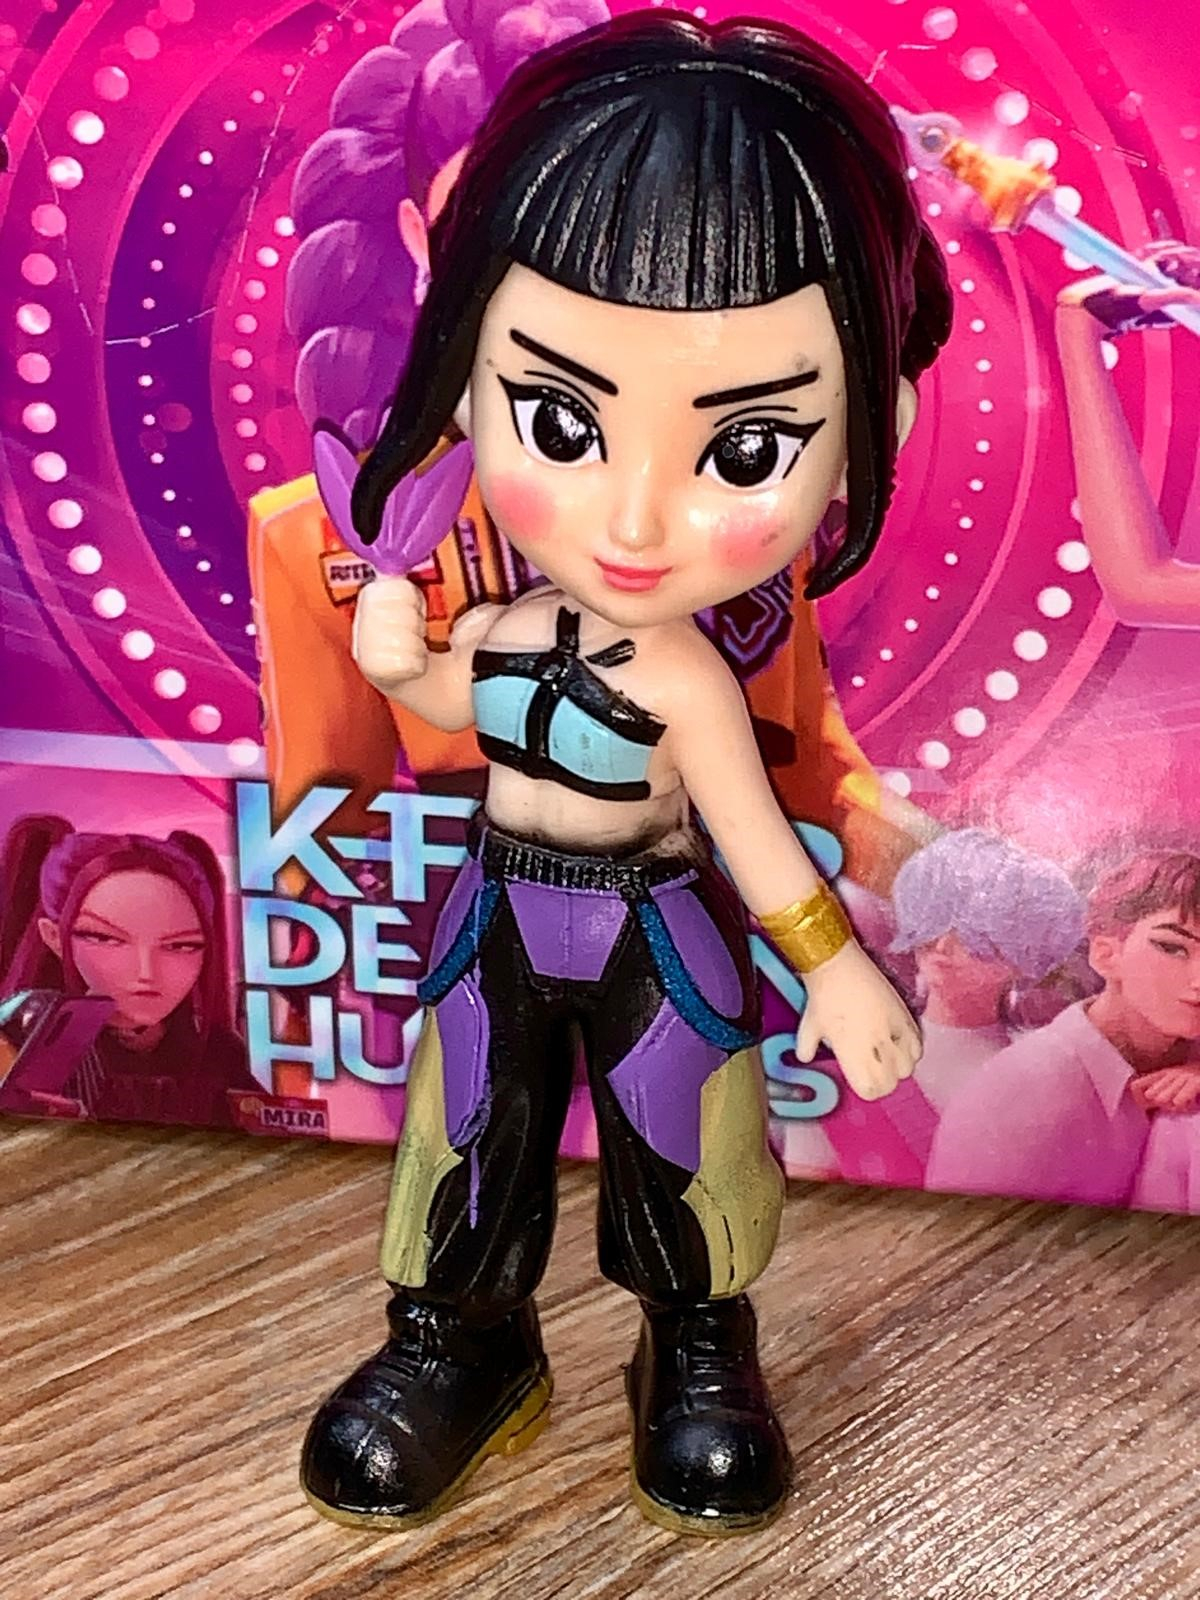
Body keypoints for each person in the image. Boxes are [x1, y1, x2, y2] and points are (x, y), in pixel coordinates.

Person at [299, 12, 952, 1537]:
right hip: (500, 909)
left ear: (876, 419)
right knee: (469, 1128)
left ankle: (698, 1349)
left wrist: (833, 969)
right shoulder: (511, 623)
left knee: (683, 1137)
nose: (637, 519)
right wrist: (402, 659)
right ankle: (459, 1343)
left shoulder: (688, 679)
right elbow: (461, 696)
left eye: (747, 450)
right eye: (561, 420)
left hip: (654, 922)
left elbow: (755, 837)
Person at [926, 850, 1200, 1208]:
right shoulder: (1025, 1092)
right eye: (1173, 948)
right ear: (1106, 955)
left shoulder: (1184, 1047)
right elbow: (962, 1228)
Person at [0, 816, 254, 1128]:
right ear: (53, 937)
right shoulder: (25, 1039)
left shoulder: (218, 1053)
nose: (146, 972)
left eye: (181, 946)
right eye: (105, 938)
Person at [889, 829, 1085, 1114]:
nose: (942, 946)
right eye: (934, 922)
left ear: (1023, 960)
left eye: (973, 937)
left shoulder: (1042, 1067)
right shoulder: (870, 1040)